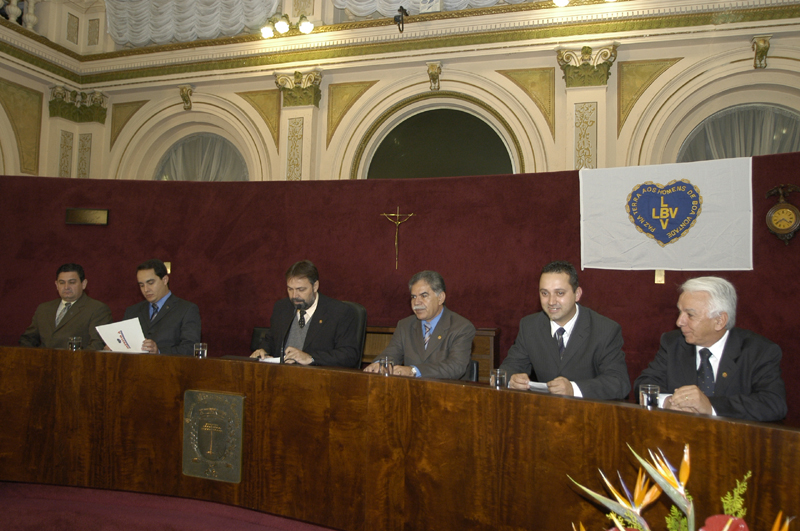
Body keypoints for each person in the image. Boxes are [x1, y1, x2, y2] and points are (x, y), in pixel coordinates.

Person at [634, 276, 787, 422]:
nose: (679, 321)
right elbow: (644, 385)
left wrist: (710, 406)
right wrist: (667, 402)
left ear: (720, 321)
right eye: (680, 312)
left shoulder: (759, 351)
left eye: (690, 315)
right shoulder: (673, 343)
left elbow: (773, 403)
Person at [500, 261, 630, 400]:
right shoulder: (529, 326)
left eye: (560, 293)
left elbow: (619, 383)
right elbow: (508, 368)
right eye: (545, 293)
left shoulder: (605, 329)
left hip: (589, 413)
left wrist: (573, 389)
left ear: (577, 294)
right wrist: (511, 379)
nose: (551, 301)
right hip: (544, 412)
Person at [364, 270, 475, 379]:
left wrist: (414, 371)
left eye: (424, 295)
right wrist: (380, 364)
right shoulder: (405, 325)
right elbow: (391, 353)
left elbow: (455, 367)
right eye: (413, 297)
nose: (416, 302)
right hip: (411, 392)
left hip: (448, 393)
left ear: (440, 298)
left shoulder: (461, 327)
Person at [250, 260, 360, 366]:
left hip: (318, 379)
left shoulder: (338, 312)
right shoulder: (282, 308)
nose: (294, 296)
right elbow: (271, 339)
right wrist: (262, 350)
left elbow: (349, 355)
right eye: (290, 289)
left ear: (315, 286)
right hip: (281, 376)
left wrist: (310, 358)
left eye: (301, 289)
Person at [20, 263, 112, 350]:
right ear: (56, 285)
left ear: (83, 284)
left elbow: (97, 344)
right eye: (62, 282)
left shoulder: (97, 309)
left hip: (76, 364)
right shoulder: (44, 308)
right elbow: (28, 339)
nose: (66, 287)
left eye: (72, 282)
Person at [123, 259, 201, 356]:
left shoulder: (186, 309)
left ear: (165, 280)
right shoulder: (132, 311)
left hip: (170, 369)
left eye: (150, 283)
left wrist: (159, 352)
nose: (146, 289)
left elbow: (190, 348)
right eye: (141, 285)